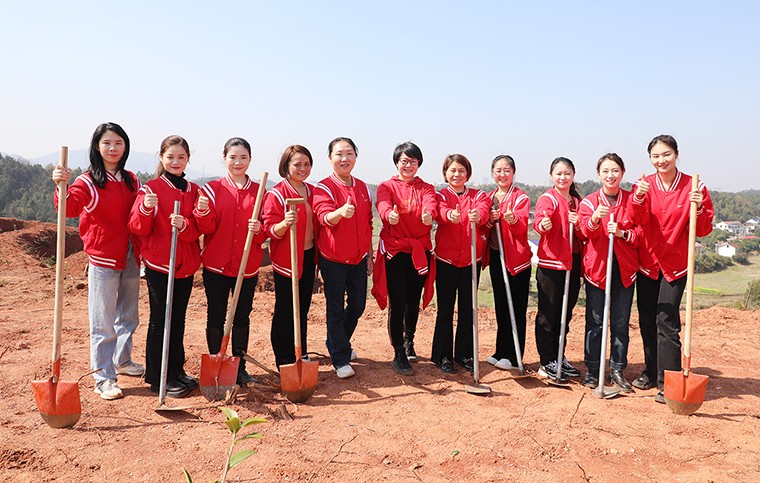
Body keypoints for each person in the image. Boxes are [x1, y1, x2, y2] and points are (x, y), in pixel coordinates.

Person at [52, 122, 143, 400]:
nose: (113, 148)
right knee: (103, 320)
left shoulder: (132, 180)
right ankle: (103, 376)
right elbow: (70, 207)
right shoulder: (88, 181)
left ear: (125, 147)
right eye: (107, 143)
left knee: (128, 315)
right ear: (97, 146)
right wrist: (61, 187)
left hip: (131, 254)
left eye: (118, 143)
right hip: (103, 256)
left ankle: (122, 361)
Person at [629, 135, 714, 403]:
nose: (661, 160)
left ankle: (668, 382)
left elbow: (704, 229)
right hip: (647, 263)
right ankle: (650, 372)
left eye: (666, 154)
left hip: (675, 265)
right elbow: (633, 219)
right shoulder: (643, 186)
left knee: (666, 321)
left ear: (677, 154)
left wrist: (698, 208)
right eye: (655, 156)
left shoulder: (694, 186)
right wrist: (638, 198)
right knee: (646, 320)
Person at [128, 135, 201, 398]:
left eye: (181, 157)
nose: (175, 161)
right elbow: (137, 227)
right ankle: (158, 376)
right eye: (170, 157)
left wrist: (186, 225)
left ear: (188, 159)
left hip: (185, 264)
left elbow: (199, 229)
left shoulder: (194, 190)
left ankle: (176, 370)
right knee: (160, 319)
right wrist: (146, 210)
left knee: (178, 319)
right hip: (160, 264)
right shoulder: (150, 189)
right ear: (161, 158)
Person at [194, 137, 266, 385]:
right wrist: (202, 211)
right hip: (216, 265)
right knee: (215, 315)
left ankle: (239, 368)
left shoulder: (261, 192)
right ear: (224, 158)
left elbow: (266, 232)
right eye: (233, 157)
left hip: (247, 267)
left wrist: (259, 230)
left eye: (243, 157)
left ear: (250, 160)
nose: (238, 162)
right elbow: (206, 227)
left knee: (242, 317)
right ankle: (218, 364)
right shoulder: (211, 190)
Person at [371, 142, 437, 376]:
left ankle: (409, 340)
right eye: (404, 161)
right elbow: (382, 204)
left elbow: (431, 204)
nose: (408, 165)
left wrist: (430, 215)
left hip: (419, 251)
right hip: (395, 251)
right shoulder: (386, 186)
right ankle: (398, 351)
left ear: (419, 164)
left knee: (413, 300)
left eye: (413, 161)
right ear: (397, 162)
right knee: (397, 301)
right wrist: (388, 214)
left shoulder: (426, 187)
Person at [578, 153, 641, 392]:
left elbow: (640, 234)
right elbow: (585, 232)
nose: (610, 175)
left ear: (622, 173)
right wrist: (595, 218)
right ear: (598, 174)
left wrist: (624, 234)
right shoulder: (589, 202)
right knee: (595, 322)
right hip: (597, 269)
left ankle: (617, 369)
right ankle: (593, 370)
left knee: (620, 321)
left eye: (615, 170)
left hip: (625, 269)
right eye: (605, 171)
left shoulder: (632, 201)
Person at [312, 137, 374, 379]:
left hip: (358, 258)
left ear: (355, 157)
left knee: (358, 306)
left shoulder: (364, 188)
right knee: (335, 308)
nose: (344, 158)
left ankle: (337, 342)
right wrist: (340, 212)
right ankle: (340, 359)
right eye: (339, 154)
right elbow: (324, 217)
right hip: (333, 259)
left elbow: (368, 223)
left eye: (349, 153)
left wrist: (369, 255)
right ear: (330, 158)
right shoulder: (324, 187)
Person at [431, 154, 490, 374]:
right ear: (445, 173)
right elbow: (438, 211)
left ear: (468, 173)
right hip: (446, 261)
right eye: (453, 170)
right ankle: (443, 355)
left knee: (467, 310)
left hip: (471, 262)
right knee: (445, 310)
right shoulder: (440, 195)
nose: (457, 174)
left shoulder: (478, 195)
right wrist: (449, 215)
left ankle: (465, 354)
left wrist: (479, 216)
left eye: (461, 171)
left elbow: (484, 210)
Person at [262, 145, 318, 369]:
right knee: (286, 308)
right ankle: (284, 358)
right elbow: (269, 230)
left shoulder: (313, 191)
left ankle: (300, 352)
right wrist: (285, 223)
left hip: (309, 256)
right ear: (286, 166)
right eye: (297, 164)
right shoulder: (276, 194)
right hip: (287, 259)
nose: (303, 168)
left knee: (303, 307)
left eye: (307, 164)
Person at [533, 157, 586, 381]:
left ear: (573, 175)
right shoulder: (548, 199)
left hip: (573, 263)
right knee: (549, 314)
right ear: (551, 176)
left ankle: (559, 356)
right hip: (552, 264)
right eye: (558, 173)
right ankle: (546, 361)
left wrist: (579, 223)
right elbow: (539, 221)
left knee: (566, 313)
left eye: (567, 173)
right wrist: (543, 225)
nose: (563, 177)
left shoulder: (578, 201)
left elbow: (584, 233)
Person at [481, 155, 532, 371]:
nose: (502, 174)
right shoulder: (489, 197)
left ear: (513, 172)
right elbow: (483, 226)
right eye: (498, 170)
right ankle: (501, 351)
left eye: (506, 170)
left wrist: (511, 219)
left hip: (516, 260)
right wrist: (490, 220)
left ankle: (514, 355)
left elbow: (521, 226)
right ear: (493, 173)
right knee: (501, 305)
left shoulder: (520, 197)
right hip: (496, 255)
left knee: (516, 308)